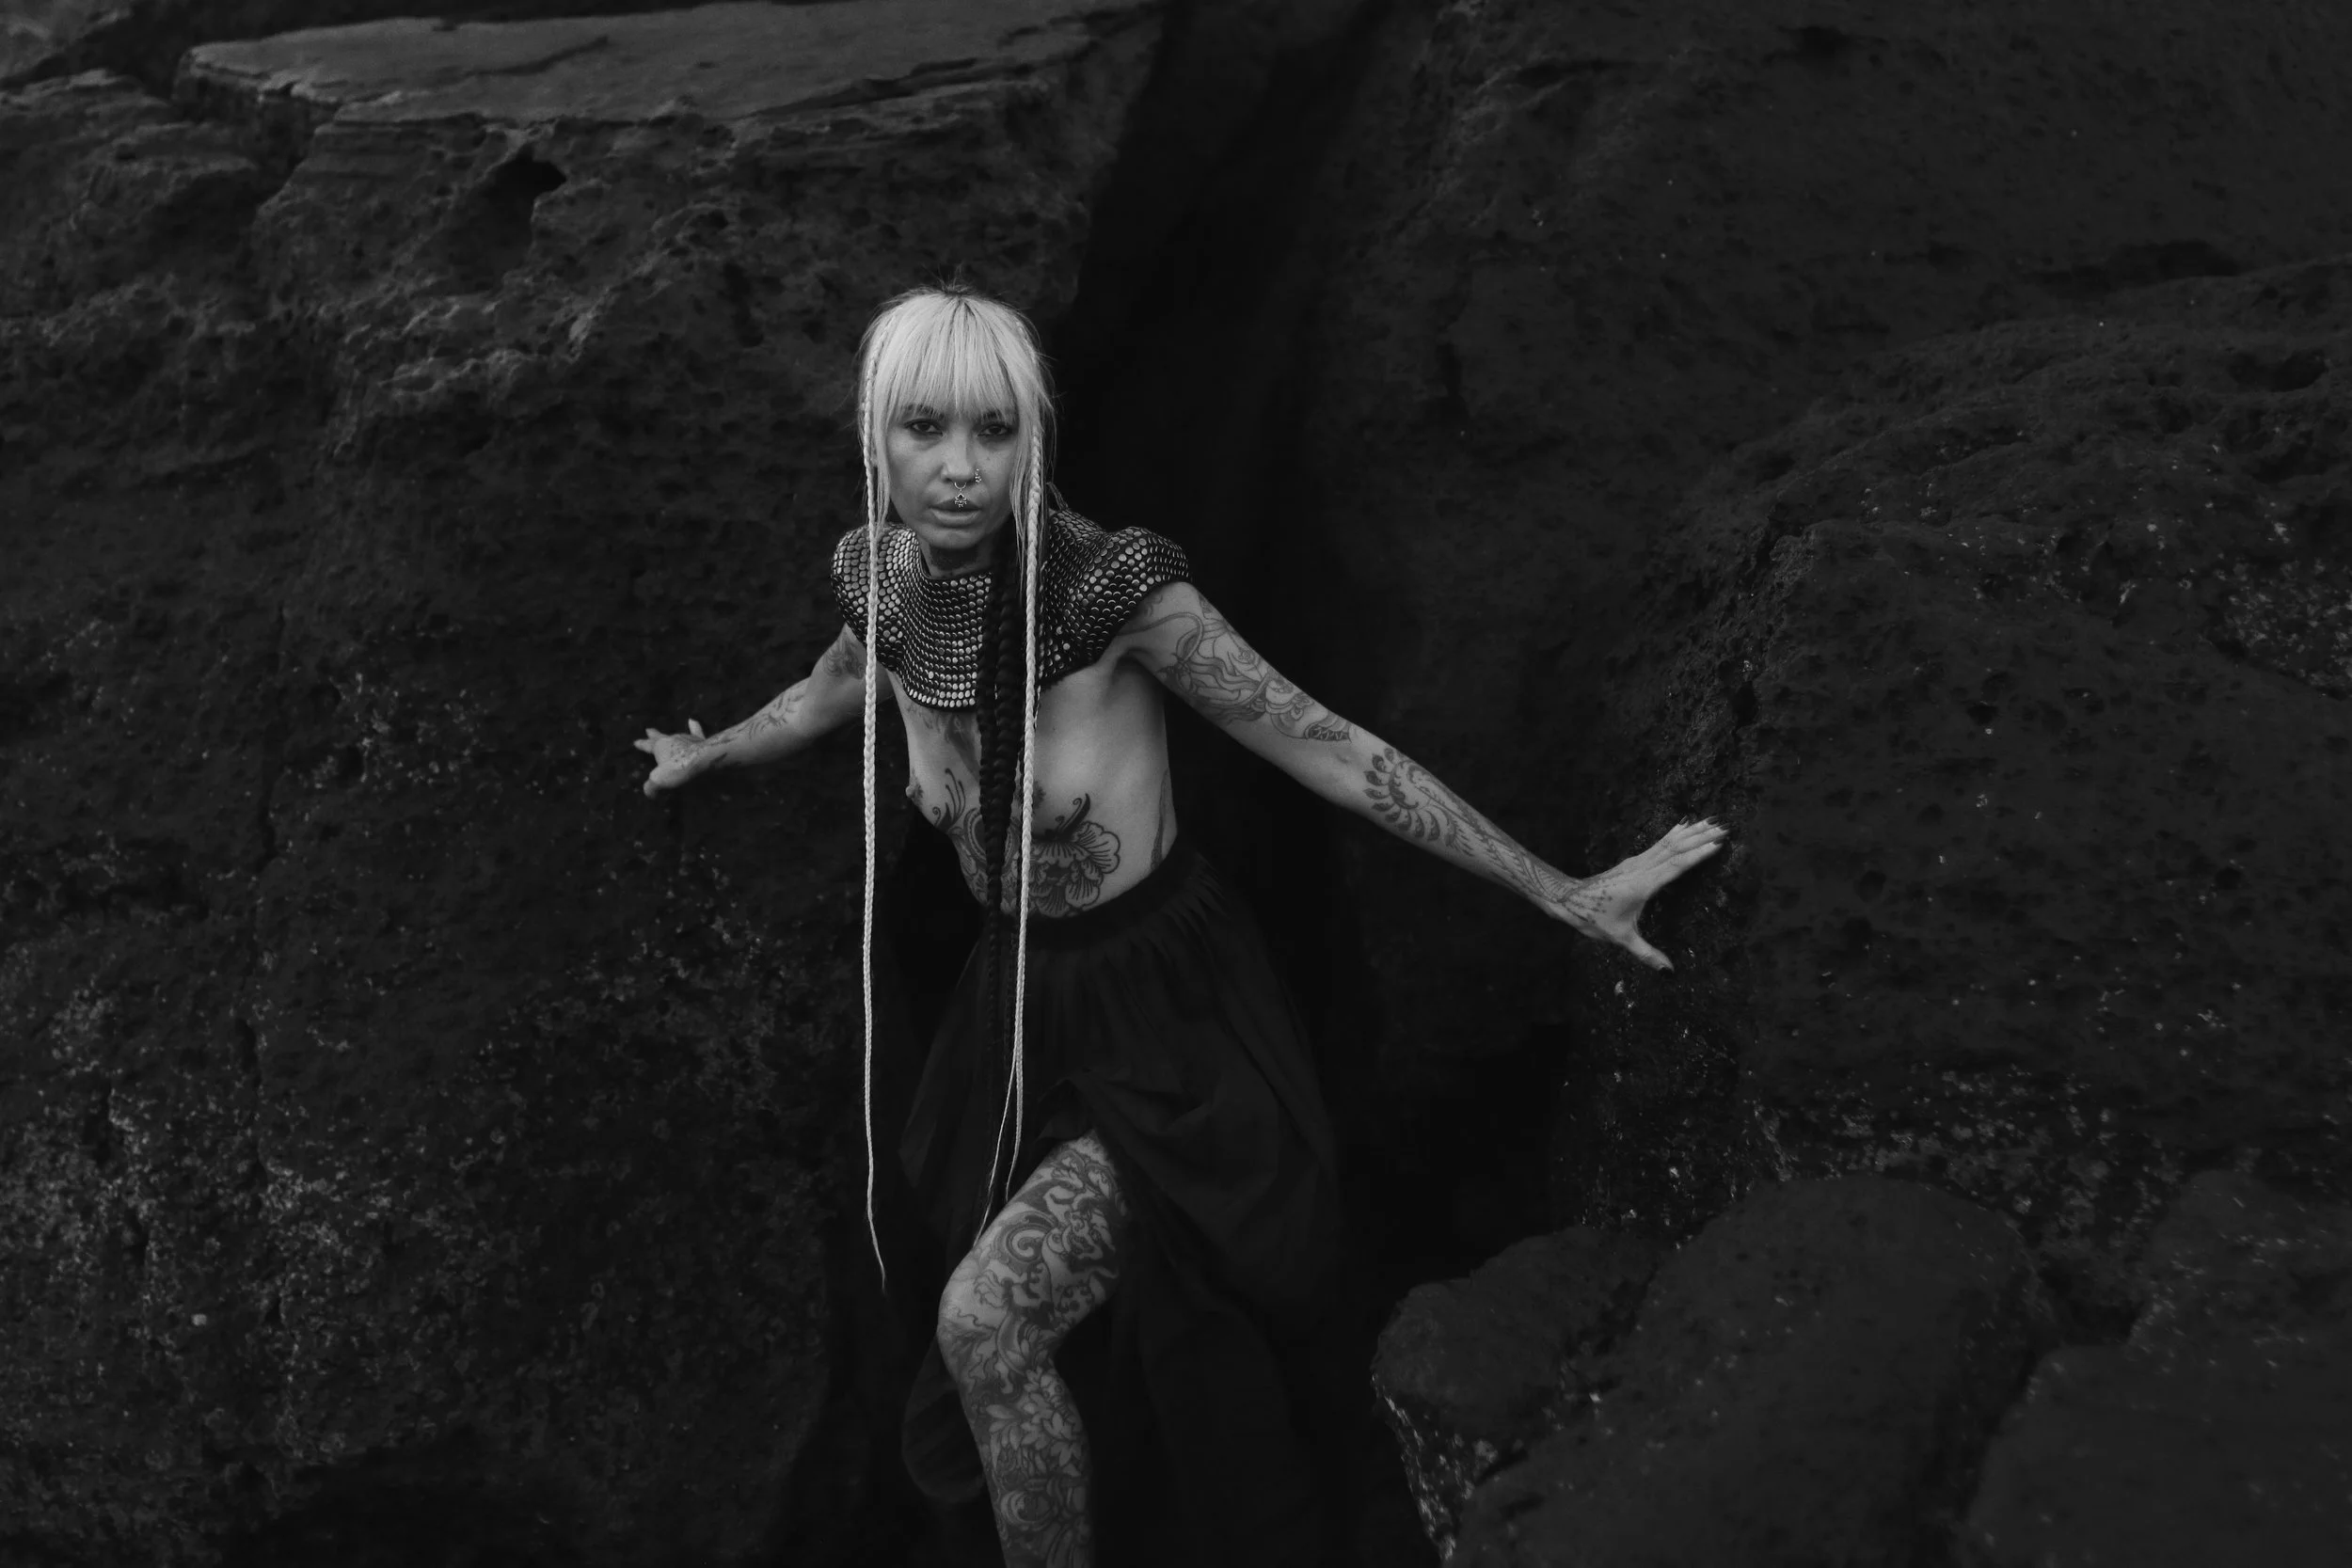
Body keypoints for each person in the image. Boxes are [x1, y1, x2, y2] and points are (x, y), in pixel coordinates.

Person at [634, 284, 1727, 1568]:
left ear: (1034, 439)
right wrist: (714, 754)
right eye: (924, 428)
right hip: (1019, 1014)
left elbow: (1332, 747)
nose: (960, 467)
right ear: (876, 435)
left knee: (987, 1324)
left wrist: (1561, 887)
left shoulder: (1113, 596)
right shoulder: (885, 587)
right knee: (1061, 1347)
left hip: (1167, 1024)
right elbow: (827, 690)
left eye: (994, 430)